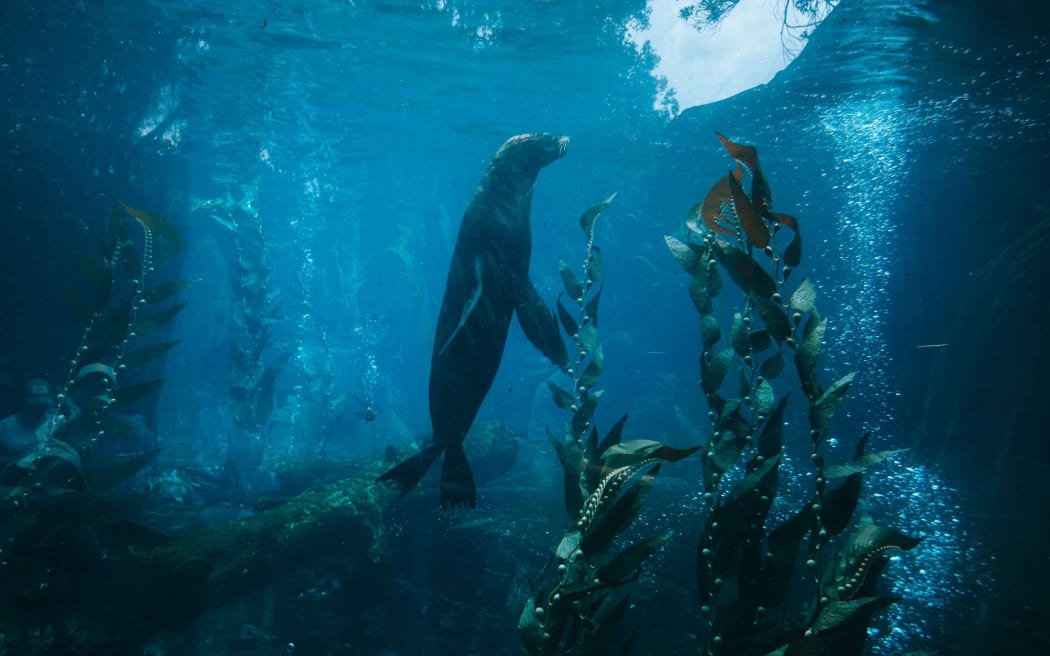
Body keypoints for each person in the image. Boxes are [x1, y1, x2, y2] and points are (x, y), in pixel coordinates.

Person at [0, 378, 86, 494]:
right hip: (10, 486)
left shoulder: (59, 423)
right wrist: (19, 460)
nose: (39, 410)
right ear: (24, 402)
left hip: (49, 488)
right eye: (35, 406)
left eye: (43, 406)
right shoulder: (4, 426)